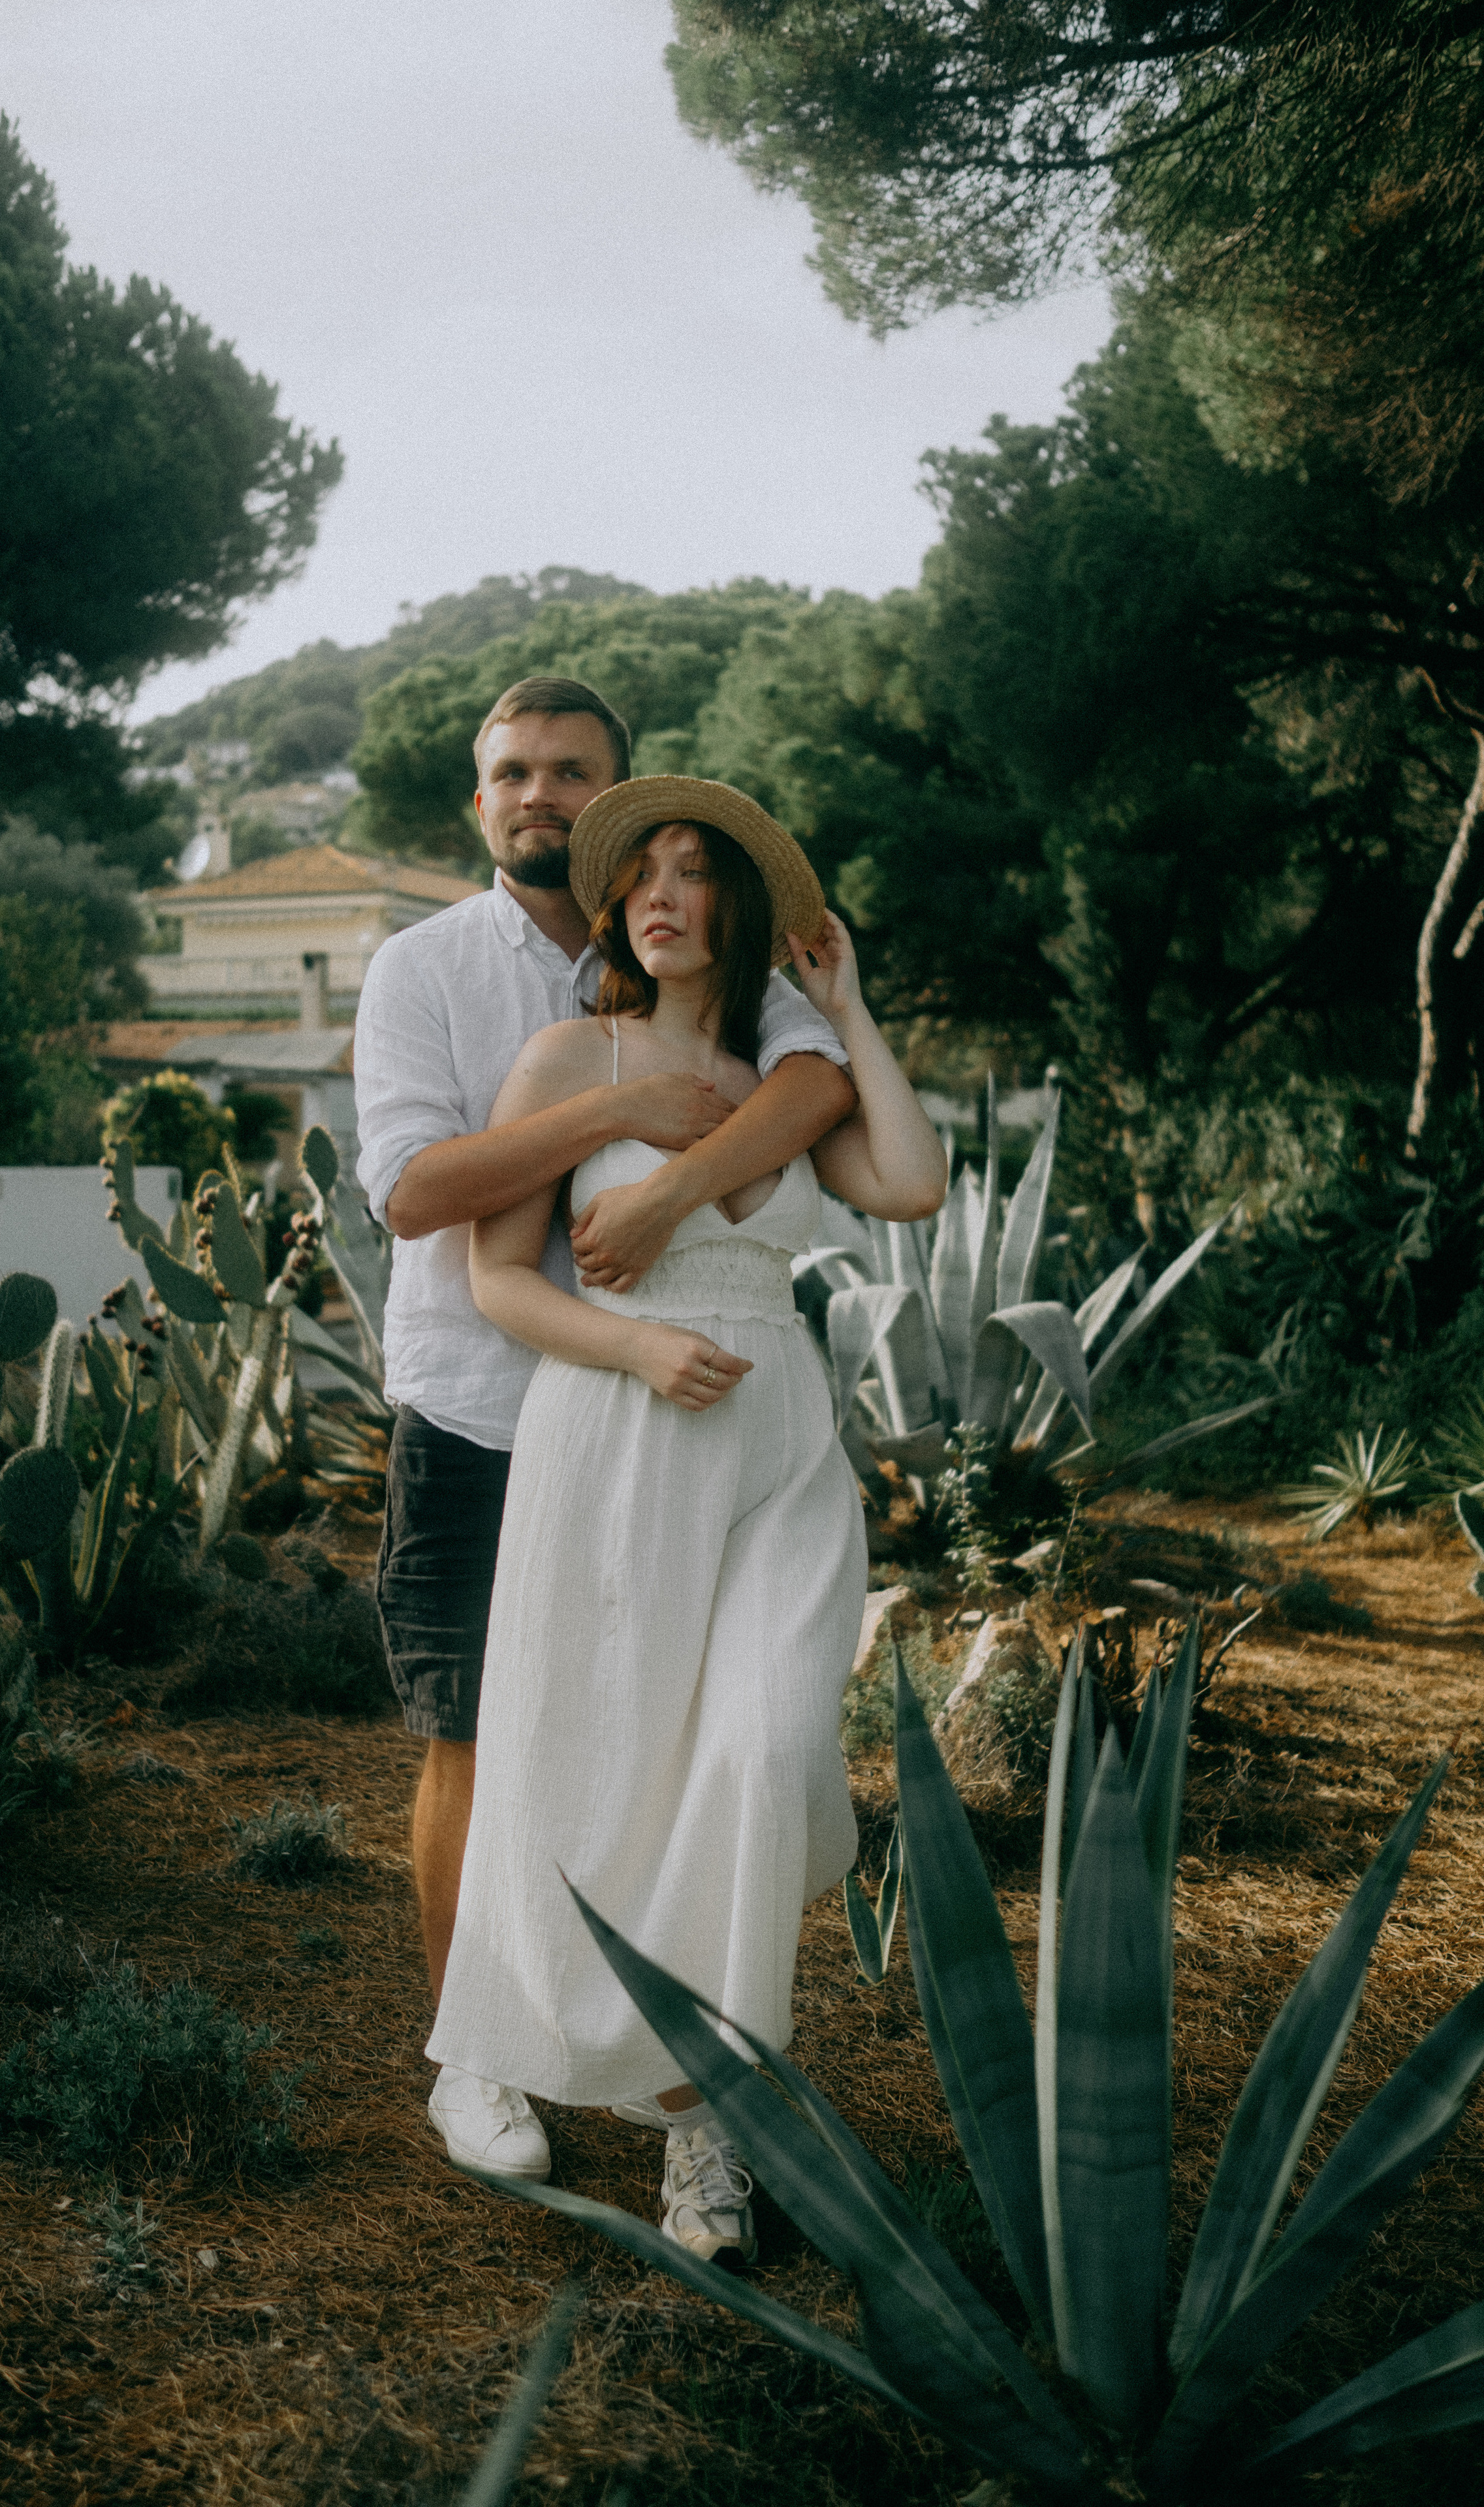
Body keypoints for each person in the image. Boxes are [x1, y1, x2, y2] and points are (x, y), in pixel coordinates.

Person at [428, 776, 947, 2263]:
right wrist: (639, 1346)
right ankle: (496, 2046)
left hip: (778, 1446)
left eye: (688, 872)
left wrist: (846, 1006)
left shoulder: (788, 1077)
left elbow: (906, 1182)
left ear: (740, 907)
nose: (656, 895)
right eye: (636, 874)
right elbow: (500, 1281)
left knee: (764, 1757)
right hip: (617, 1429)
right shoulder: (563, 1057)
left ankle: (706, 2121)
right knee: (584, 1756)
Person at [354, 682, 857, 2180]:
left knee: (692, 1747)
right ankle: (481, 2055)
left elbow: (809, 1084)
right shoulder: (423, 968)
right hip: (484, 1401)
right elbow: (415, 1193)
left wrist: (657, 1195)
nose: (539, 796)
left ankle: (675, 2076)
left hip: (683, 1428)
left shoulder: (695, 926)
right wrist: (602, 1116)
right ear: (477, 801)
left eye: (571, 773)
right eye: (511, 773)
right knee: (476, 1739)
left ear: (624, 802)